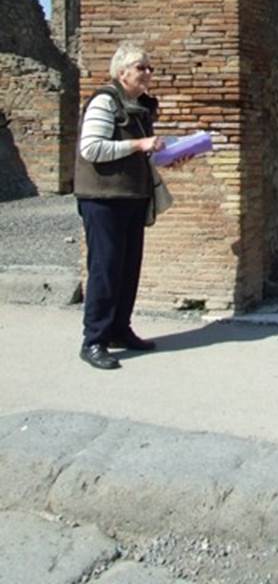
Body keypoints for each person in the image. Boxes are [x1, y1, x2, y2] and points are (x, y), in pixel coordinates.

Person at [74, 41, 167, 370]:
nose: (148, 73)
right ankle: (94, 340)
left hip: (131, 197)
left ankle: (119, 329)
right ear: (122, 71)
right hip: (103, 200)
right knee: (106, 269)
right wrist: (140, 143)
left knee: (128, 268)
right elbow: (92, 148)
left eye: (149, 67)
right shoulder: (104, 101)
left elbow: (137, 151)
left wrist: (167, 155)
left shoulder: (139, 106)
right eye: (141, 67)